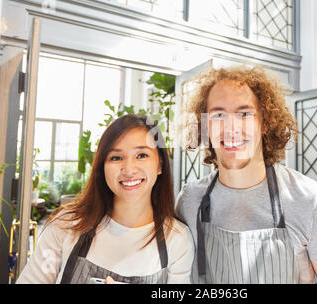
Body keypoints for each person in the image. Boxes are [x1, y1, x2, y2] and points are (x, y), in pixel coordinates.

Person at [175, 65, 317, 284]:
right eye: (218, 114)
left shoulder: (314, 202)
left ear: (265, 123)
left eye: (244, 113)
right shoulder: (189, 201)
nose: (230, 128)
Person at [17, 114, 194, 284]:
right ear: (102, 167)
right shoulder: (65, 225)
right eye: (116, 157)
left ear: (160, 164)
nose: (129, 169)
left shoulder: (177, 239)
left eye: (141, 155)